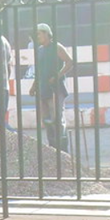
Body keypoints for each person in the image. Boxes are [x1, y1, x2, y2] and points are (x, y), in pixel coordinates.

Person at [28, 23, 73, 151]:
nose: (37, 37)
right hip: (43, 89)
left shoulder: (57, 47)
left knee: (57, 118)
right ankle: (52, 148)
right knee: (46, 120)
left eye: (39, 34)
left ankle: (63, 149)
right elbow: (39, 71)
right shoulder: (40, 51)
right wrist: (34, 86)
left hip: (56, 88)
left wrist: (58, 75)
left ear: (47, 33)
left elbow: (70, 62)